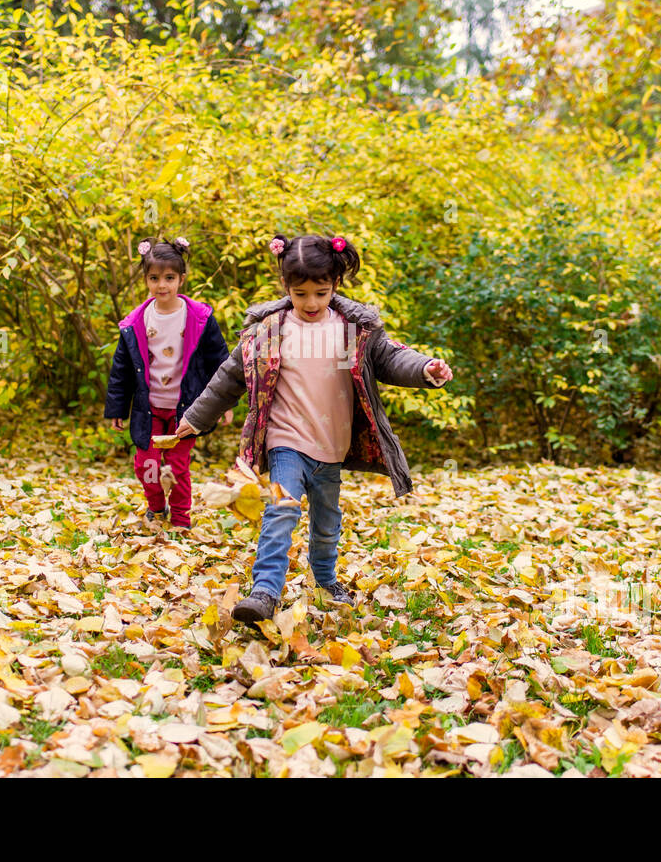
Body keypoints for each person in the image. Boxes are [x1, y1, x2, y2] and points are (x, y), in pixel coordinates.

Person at [174, 232, 453, 622]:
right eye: (300, 293)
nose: (310, 302)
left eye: (320, 293)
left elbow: (391, 360)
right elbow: (229, 377)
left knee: (327, 522)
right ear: (285, 286)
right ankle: (265, 592)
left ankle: (325, 580)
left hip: (332, 446)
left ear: (335, 285)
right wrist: (193, 419)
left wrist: (426, 370)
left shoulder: (352, 329)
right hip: (286, 440)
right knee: (281, 510)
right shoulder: (267, 330)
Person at [104, 236, 233, 529]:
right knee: (146, 465)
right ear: (145, 279)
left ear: (181, 279)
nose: (162, 285)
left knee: (178, 466)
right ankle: (156, 506)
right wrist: (117, 410)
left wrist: (224, 404)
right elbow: (121, 370)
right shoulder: (135, 322)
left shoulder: (199, 318)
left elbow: (221, 363)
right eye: (154, 278)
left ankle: (180, 518)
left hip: (186, 410)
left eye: (169, 278)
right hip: (148, 409)